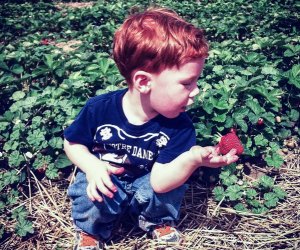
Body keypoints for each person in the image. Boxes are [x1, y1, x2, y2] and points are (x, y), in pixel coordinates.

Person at [64, 7, 239, 250]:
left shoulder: (180, 125)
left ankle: (156, 220)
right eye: (187, 83)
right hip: (108, 178)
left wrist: (192, 159)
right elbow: (72, 142)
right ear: (144, 82)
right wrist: (92, 166)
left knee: (169, 188)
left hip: (147, 182)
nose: (197, 90)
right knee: (88, 189)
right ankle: (91, 231)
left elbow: (159, 182)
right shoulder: (99, 108)